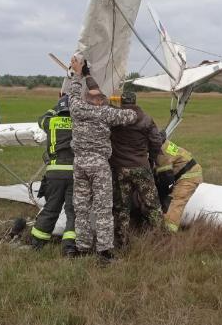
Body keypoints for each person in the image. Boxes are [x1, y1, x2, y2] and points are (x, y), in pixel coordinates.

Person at [67, 55, 137, 264]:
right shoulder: (105, 113)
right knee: (103, 208)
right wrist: (116, 106)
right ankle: (105, 252)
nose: (102, 99)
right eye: (101, 98)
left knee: (81, 208)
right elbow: (130, 117)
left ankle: (82, 247)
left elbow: (73, 92)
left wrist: (79, 74)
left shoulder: (76, 108)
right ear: (97, 101)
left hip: (79, 164)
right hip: (98, 165)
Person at [110, 91, 163, 248]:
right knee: (153, 205)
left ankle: (121, 244)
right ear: (135, 101)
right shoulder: (146, 119)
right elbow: (156, 141)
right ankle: (160, 240)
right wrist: (151, 159)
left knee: (121, 208)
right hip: (141, 167)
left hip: (119, 169)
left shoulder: (114, 119)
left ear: (122, 102)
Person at [30, 94, 76, 256]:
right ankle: (70, 247)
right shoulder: (79, 123)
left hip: (55, 173)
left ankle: (37, 243)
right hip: (75, 174)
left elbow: (41, 118)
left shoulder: (51, 122)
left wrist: (55, 108)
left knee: (51, 208)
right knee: (73, 211)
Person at [155, 135, 203, 232]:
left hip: (189, 176)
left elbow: (166, 179)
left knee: (174, 203)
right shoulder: (163, 143)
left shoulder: (161, 152)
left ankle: (168, 233)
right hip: (185, 171)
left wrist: (161, 196)